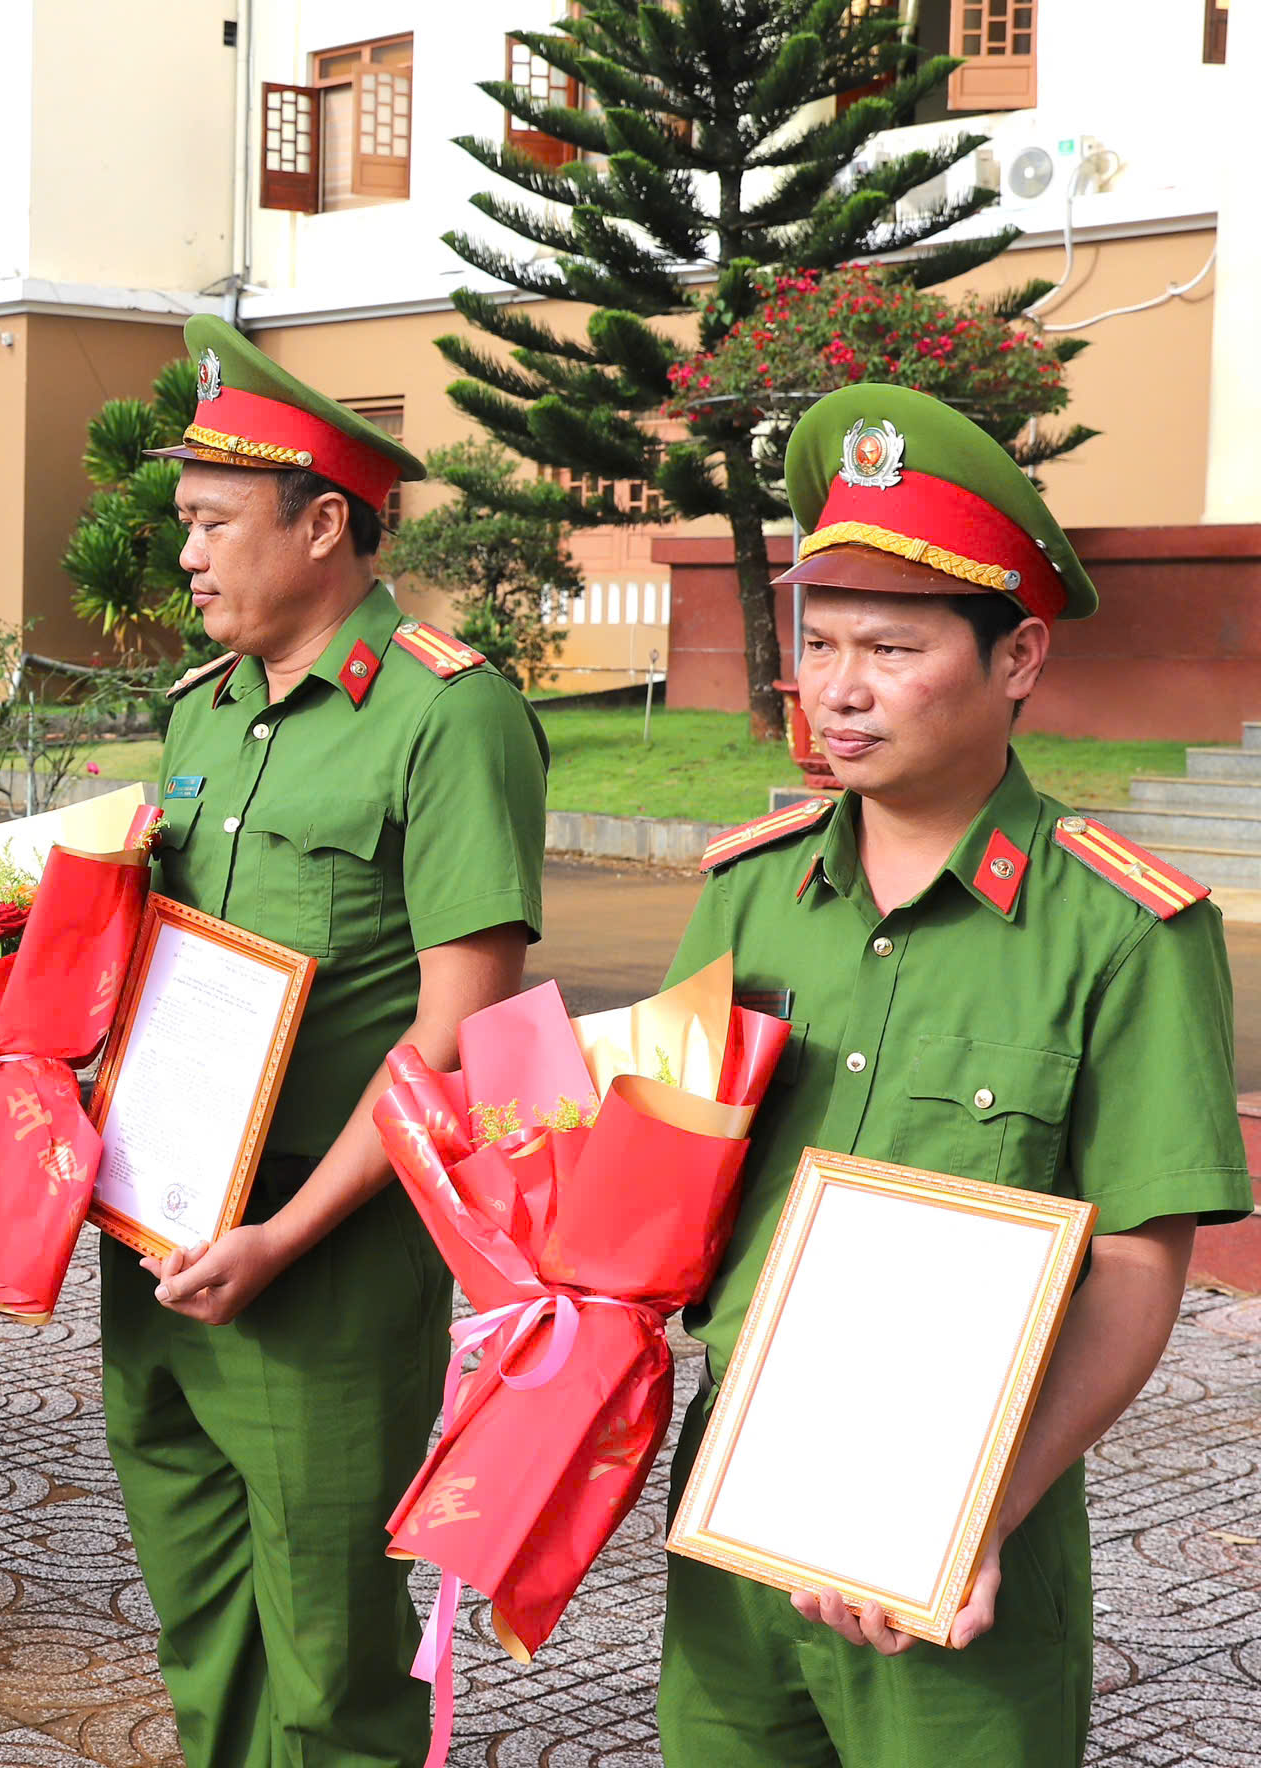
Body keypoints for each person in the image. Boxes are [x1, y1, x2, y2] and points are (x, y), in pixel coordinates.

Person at [655, 385, 1250, 1764]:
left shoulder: (1123, 931)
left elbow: (1139, 1269)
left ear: (1019, 657)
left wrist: (973, 1509)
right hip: (736, 1509)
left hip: (967, 1536)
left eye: (894, 646)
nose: (840, 686)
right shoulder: (747, 900)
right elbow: (656, 1183)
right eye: (821, 640)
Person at [106, 314, 548, 1768]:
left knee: (330, 1648)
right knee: (203, 1612)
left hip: (327, 1249)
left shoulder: (446, 716)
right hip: (160, 1227)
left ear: (324, 524)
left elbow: (464, 1030)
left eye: (213, 524)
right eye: (183, 524)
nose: (186, 556)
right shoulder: (203, 715)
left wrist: (289, 1233)